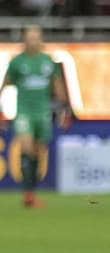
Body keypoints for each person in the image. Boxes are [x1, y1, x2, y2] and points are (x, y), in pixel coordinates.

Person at [1, 24, 71, 207]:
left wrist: (65, 108)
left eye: (36, 37)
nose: (33, 41)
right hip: (24, 112)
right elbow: (5, 84)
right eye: (30, 37)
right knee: (26, 147)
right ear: (25, 40)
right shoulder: (17, 62)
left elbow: (57, 87)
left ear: (41, 40)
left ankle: (31, 193)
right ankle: (27, 195)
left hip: (42, 113)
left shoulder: (47, 62)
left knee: (38, 152)